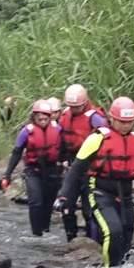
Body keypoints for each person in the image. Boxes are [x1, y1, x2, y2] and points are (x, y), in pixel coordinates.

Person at [56, 96, 134, 268]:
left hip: (125, 196)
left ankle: (118, 266)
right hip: (100, 193)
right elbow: (76, 170)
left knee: (126, 235)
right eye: (122, 122)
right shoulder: (97, 138)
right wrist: (63, 196)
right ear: (112, 119)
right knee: (112, 232)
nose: (126, 126)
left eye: (130, 122)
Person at [0, 99, 64, 236]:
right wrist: (7, 175)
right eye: (39, 115)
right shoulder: (26, 132)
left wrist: (65, 163)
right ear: (34, 116)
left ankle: (45, 229)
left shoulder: (58, 129)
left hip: (52, 171)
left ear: (50, 116)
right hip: (33, 171)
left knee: (48, 203)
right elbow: (16, 153)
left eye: (45, 115)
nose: (42, 118)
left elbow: (64, 149)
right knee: (36, 202)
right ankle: (36, 234)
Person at [56, 84, 108, 241]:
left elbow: (107, 142)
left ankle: (93, 242)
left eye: (77, 107)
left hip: (90, 169)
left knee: (89, 209)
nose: (73, 110)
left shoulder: (95, 118)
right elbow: (61, 140)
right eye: (71, 106)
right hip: (72, 167)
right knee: (66, 206)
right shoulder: (65, 115)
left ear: (85, 103)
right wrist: (61, 159)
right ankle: (71, 241)